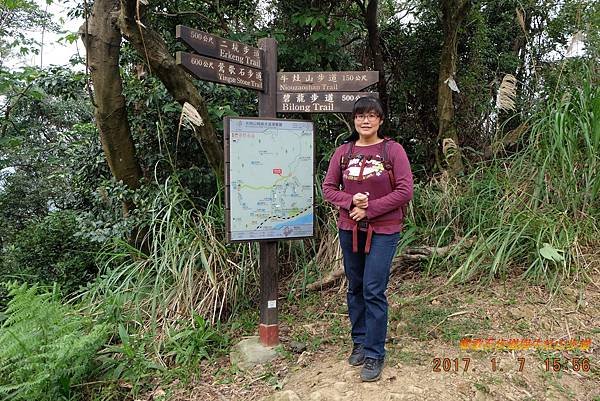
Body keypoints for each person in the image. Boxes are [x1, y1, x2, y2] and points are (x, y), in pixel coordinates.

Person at [322, 97, 413, 382]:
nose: (366, 120)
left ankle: (374, 353)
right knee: (356, 287)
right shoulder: (343, 152)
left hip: (384, 230)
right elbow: (328, 188)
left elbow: (404, 190)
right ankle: (360, 341)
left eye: (372, 116)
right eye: (361, 115)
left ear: (380, 121)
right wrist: (351, 202)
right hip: (349, 228)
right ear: (354, 120)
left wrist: (369, 208)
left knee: (374, 289)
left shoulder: (393, 150)